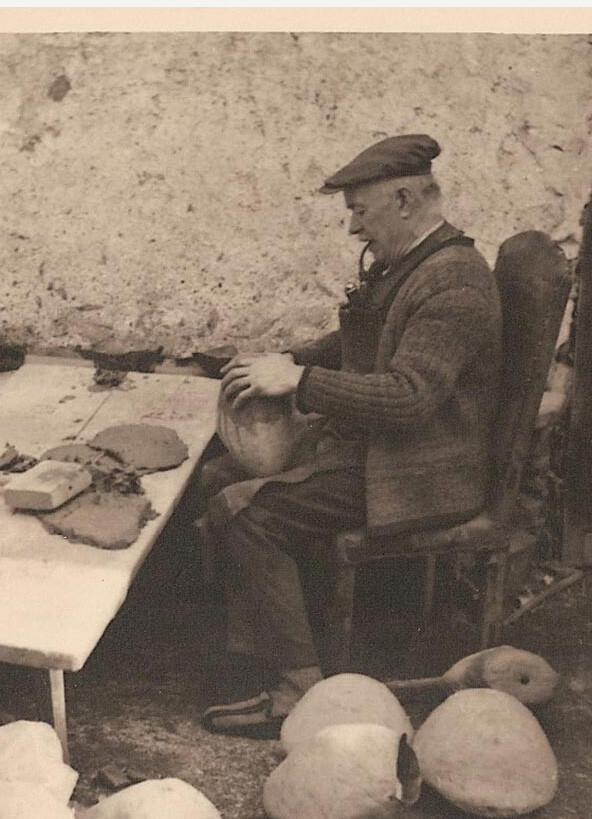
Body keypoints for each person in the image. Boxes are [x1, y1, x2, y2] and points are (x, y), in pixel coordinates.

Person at [200, 134, 503, 736]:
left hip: (420, 472)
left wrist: (300, 381)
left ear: (405, 199)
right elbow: (358, 342)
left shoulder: (455, 283)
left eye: (359, 212)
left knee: (245, 512)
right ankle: (261, 648)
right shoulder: (412, 266)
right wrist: (287, 358)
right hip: (385, 456)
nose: (353, 229)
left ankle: (296, 690)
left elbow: (410, 396)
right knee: (217, 476)